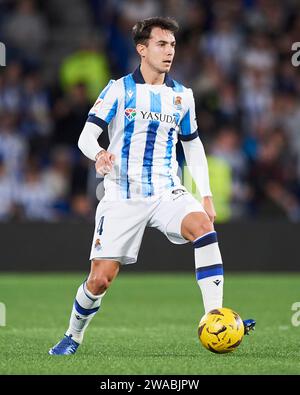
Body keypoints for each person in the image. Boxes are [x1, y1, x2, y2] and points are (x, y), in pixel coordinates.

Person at [49, 17, 255, 355]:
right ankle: (73, 334)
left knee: (203, 227)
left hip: (165, 190)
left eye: (173, 44)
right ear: (142, 49)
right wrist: (99, 153)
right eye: (161, 44)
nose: (169, 50)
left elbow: (192, 145)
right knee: (100, 279)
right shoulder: (118, 89)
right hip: (122, 194)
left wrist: (205, 195)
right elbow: (86, 136)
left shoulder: (182, 96)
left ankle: (215, 318)